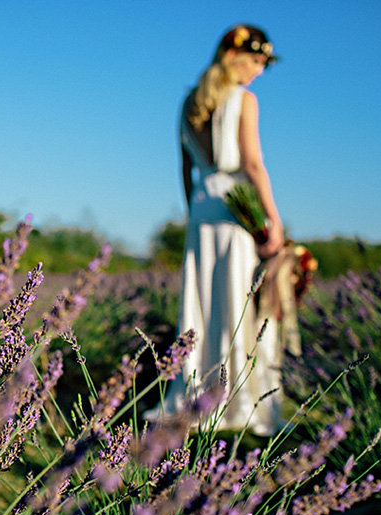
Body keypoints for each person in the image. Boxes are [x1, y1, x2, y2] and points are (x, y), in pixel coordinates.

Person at [146, 24, 285, 436]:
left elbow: (184, 169)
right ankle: (236, 397)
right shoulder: (244, 100)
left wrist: (193, 209)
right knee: (237, 300)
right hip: (232, 206)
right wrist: (273, 220)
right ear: (234, 56)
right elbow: (254, 164)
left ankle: (195, 393)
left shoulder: (188, 103)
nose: (259, 72)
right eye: (257, 62)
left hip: (202, 207)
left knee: (201, 300)